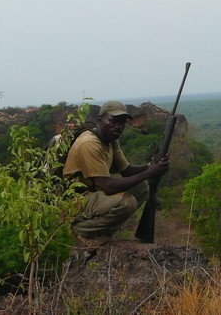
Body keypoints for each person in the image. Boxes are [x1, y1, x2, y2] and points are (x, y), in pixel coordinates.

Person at [63, 100, 169, 247]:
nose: (118, 126)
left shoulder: (111, 139)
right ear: (100, 120)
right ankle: (82, 231)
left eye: (121, 123)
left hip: (92, 194)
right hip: (75, 199)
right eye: (112, 121)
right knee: (127, 202)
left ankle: (102, 233)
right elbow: (108, 187)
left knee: (143, 187)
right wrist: (149, 173)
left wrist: (152, 166)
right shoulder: (89, 144)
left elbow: (127, 171)